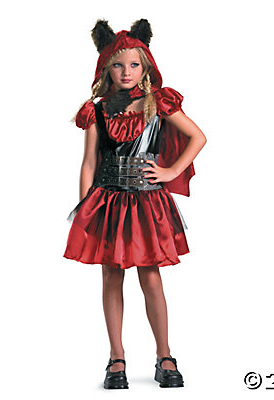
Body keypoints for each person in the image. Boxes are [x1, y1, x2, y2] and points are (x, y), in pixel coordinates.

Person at [63, 19, 207, 389]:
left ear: (145, 67)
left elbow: (198, 137)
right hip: (108, 201)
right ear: (105, 67)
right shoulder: (96, 110)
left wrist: (170, 170)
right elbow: (89, 163)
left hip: (145, 203)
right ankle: (117, 357)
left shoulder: (159, 104)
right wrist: (84, 210)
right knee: (111, 274)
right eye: (118, 65)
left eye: (134, 65)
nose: (126, 72)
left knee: (151, 276)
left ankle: (165, 355)